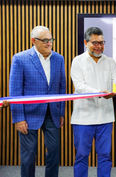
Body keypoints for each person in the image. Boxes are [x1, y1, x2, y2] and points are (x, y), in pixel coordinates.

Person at [71, 27, 116, 177]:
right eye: (95, 43)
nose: (99, 46)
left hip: (105, 117)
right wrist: (99, 93)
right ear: (85, 42)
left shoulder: (109, 61)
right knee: (81, 156)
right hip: (83, 118)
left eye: (101, 43)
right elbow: (79, 86)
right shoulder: (77, 61)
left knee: (105, 156)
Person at [9, 26, 66, 177]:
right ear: (33, 41)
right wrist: (18, 118)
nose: (49, 43)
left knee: (54, 153)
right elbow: (15, 91)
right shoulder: (20, 59)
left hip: (52, 114)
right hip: (29, 114)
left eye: (51, 40)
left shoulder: (59, 59)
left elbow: (62, 87)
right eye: (45, 40)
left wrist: (61, 113)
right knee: (28, 156)